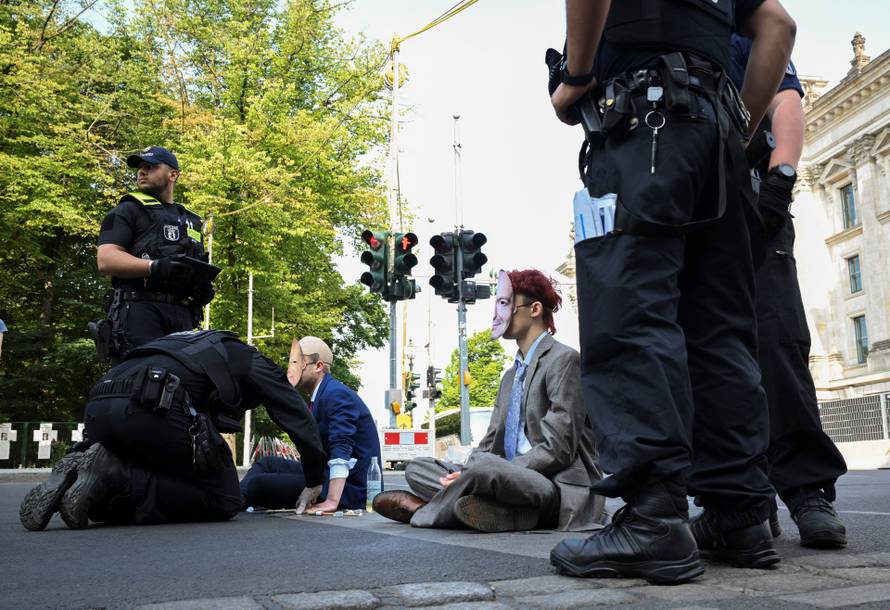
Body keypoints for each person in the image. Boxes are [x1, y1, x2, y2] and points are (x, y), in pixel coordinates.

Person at [547, 0, 796, 584]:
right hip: (716, 140)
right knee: (720, 326)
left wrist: (577, 74)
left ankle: (654, 518)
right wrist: (736, 126)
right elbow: (779, 27)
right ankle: (738, 514)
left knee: (630, 311)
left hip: (643, 121)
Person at [19, 330, 327, 531]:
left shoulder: (186, 343)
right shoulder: (250, 360)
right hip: (149, 406)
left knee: (168, 475)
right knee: (225, 498)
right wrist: (314, 478)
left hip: (99, 409)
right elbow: (293, 412)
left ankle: (87, 485)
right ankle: (114, 475)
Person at [373, 269, 605, 532]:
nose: (497, 314)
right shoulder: (510, 377)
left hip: (551, 484)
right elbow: (489, 442)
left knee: (485, 470)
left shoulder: (564, 360)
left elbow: (557, 450)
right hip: (503, 478)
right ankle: (502, 512)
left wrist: (484, 470)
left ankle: (424, 511)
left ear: (535, 309)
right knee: (418, 468)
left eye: (505, 303)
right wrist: (467, 469)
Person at [730, 34, 847, 548]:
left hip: (755, 203)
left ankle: (806, 492)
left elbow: (786, 98)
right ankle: (739, 502)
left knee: (778, 344)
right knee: (708, 359)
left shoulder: (738, 23)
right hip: (684, 211)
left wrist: (780, 181)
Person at [93, 146, 214, 360]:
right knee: (143, 380)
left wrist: (201, 290)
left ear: (173, 175)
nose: (142, 171)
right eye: (140, 168)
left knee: (187, 381)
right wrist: (153, 267)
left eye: (150, 167)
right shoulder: (126, 210)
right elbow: (106, 259)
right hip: (139, 311)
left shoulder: (192, 221)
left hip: (184, 316)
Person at [240, 336, 382, 512]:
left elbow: (341, 447)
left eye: (299, 362)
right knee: (267, 463)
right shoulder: (320, 395)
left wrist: (331, 501)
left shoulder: (336, 394)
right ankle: (237, 500)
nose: (291, 369)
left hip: (349, 490)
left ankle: (236, 501)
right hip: (325, 477)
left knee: (258, 484)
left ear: (318, 366)